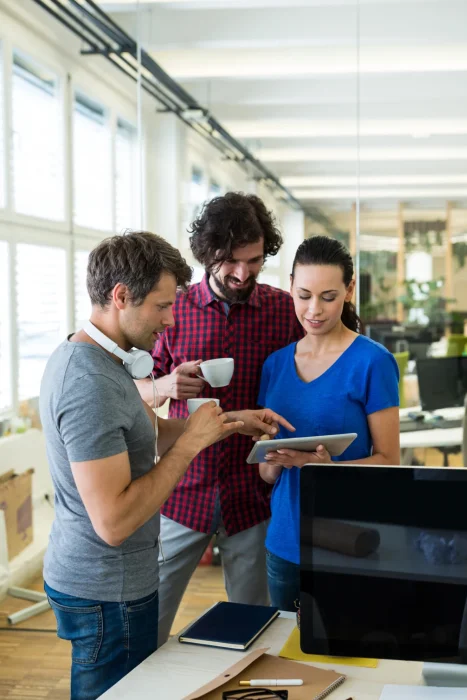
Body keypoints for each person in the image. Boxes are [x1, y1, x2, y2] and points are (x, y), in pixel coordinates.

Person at [40, 231, 289, 700]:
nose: (171, 320)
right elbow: (113, 522)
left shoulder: (104, 362)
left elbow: (147, 435)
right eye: (161, 306)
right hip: (104, 592)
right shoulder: (88, 381)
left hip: (109, 583)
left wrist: (230, 421)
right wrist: (191, 446)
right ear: (120, 297)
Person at [136, 192, 303, 645]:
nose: (242, 273)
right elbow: (128, 389)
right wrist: (163, 386)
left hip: (253, 491)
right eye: (230, 261)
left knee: (251, 630)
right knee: (147, 620)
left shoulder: (283, 310)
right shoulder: (172, 310)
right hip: (181, 486)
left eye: (253, 261)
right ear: (206, 254)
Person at [258, 235, 401, 612]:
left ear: (349, 290)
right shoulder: (274, 365)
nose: (314, 310)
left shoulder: (372, 362)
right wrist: (272, 460)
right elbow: (267, 476)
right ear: (289, 287)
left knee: (346, 657)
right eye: (303, 295)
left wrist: (329, 470)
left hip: (345, 542)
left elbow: (389, 462)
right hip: (284, 542)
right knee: (286, 658)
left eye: (328, 296)